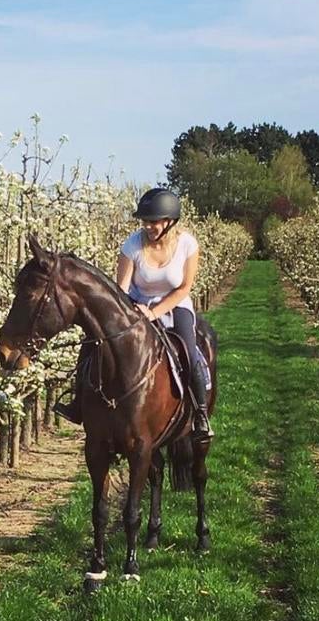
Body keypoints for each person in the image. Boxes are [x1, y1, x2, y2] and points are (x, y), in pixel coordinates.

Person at [55, 187, 213, 443]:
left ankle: (200, 412)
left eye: (153, 222)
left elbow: (184, 287)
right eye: (145, 222)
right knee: (94, 343)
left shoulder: (187, 244)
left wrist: (155, 312)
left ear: (170, 222)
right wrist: (133, 310)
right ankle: (77, 402)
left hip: (175, 304)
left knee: (189, 350)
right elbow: (122, 289)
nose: (147, 227)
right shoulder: (132, 246)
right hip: (137, 305)